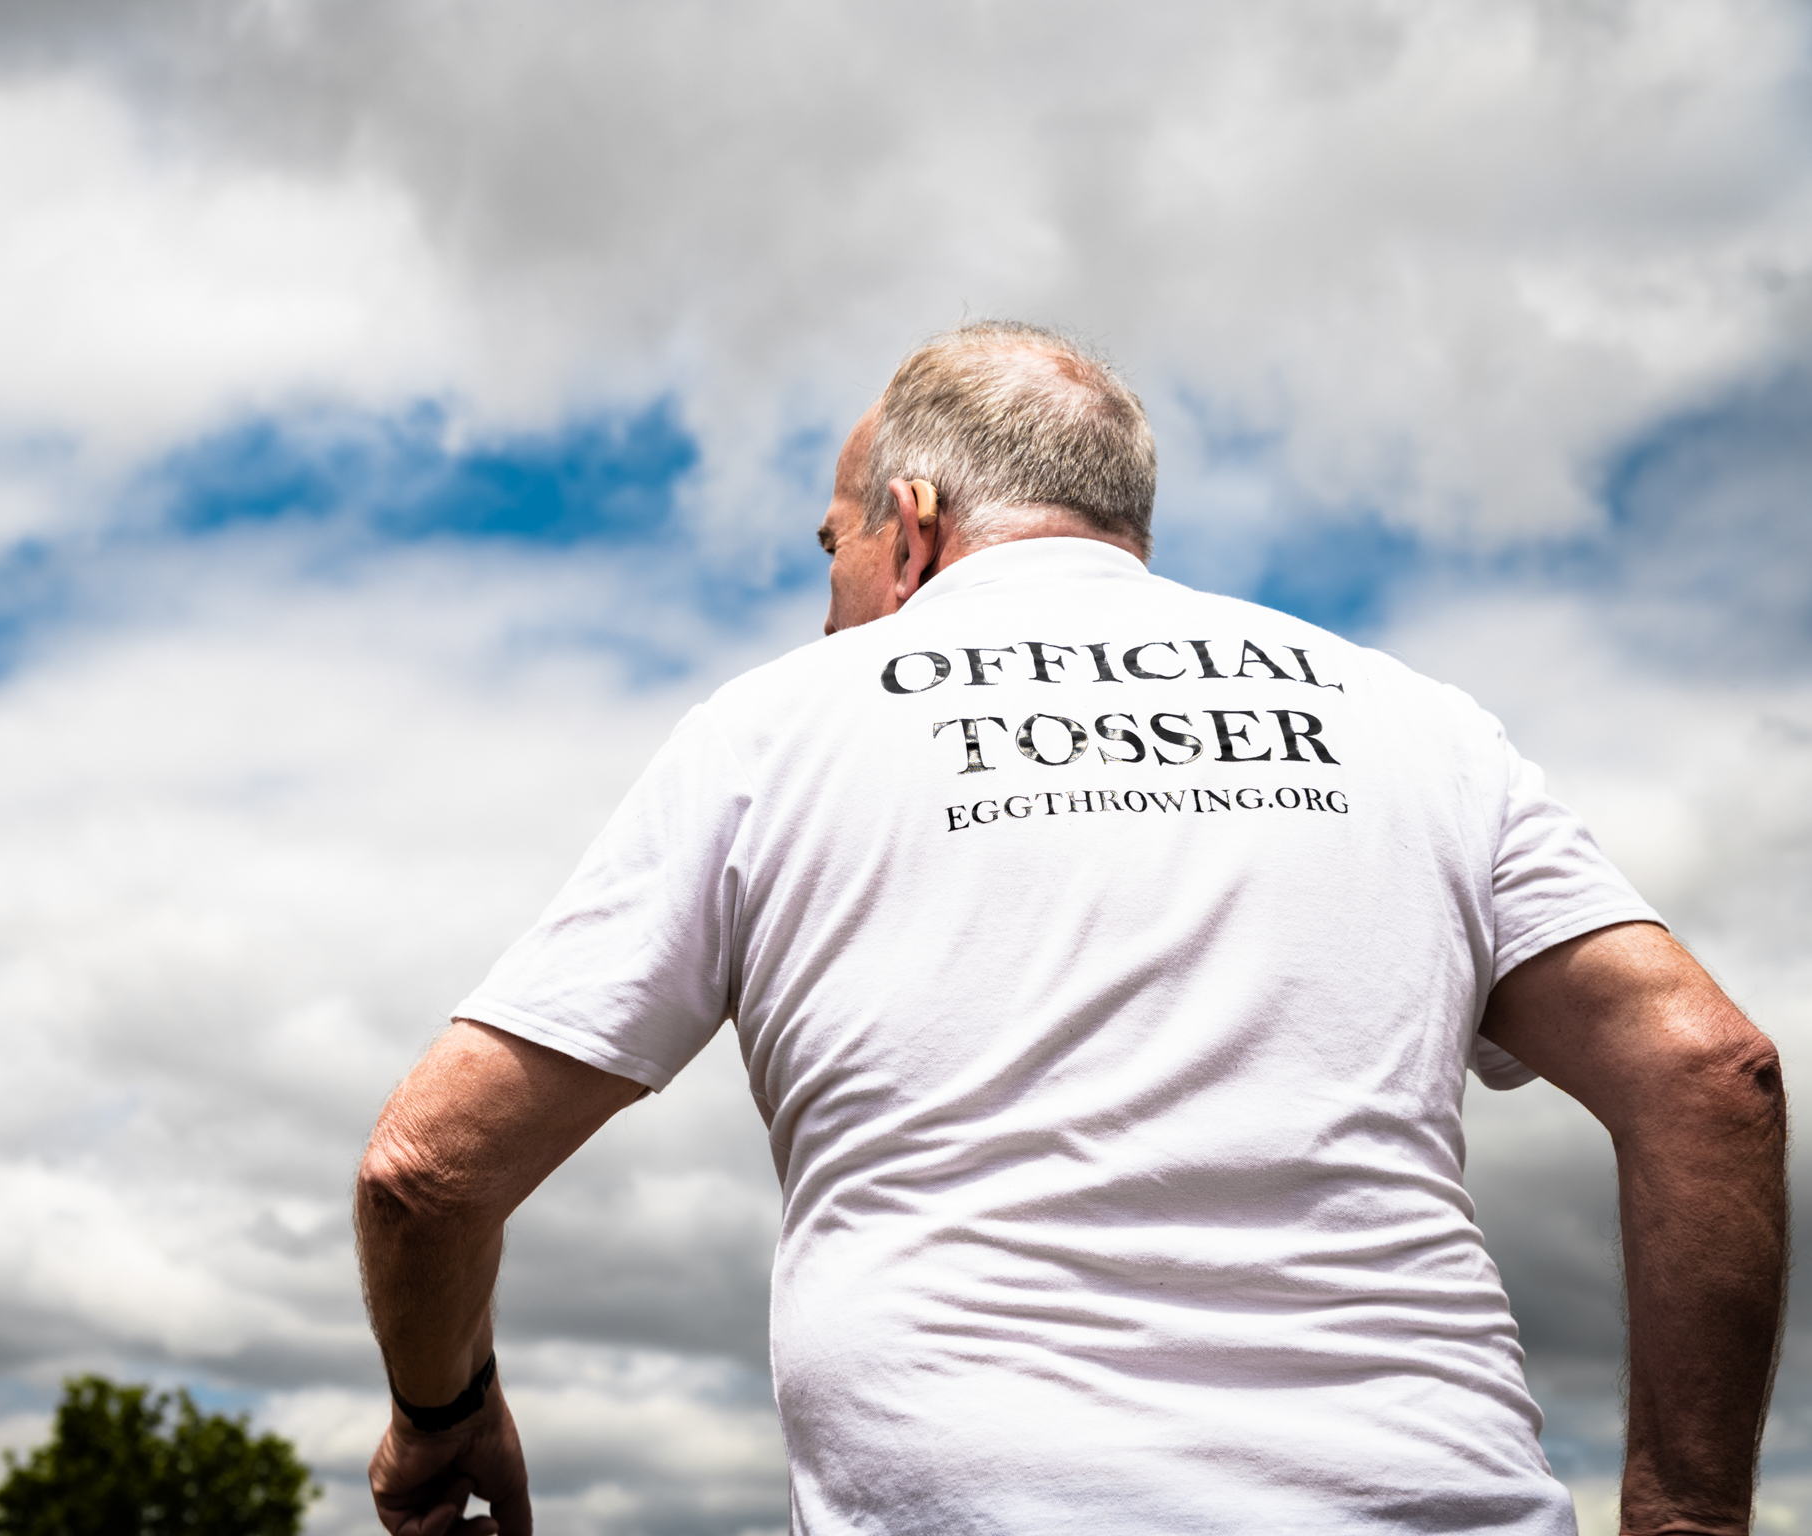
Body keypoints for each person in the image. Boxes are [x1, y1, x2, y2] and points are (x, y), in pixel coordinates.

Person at [353, 322, 1786, 1536]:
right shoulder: (1411, 718)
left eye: (830, 543)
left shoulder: (774, 731)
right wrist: (1686, 1520)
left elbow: (425, 1171)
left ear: (907, 526)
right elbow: (1709, 1077)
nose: (832, 586)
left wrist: (442, 1411)